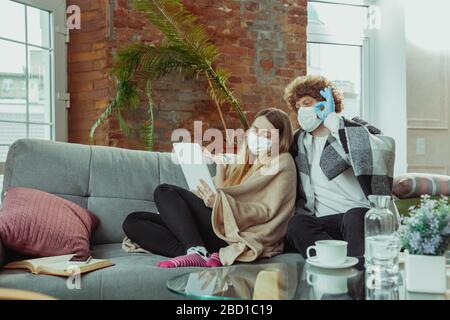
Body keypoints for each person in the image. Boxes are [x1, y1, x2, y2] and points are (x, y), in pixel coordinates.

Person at [122, 108, 297, 268]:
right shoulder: (244, 161)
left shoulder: (282, 162)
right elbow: (223, 191)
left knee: (164, 191)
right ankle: (197, 254)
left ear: (280, 138)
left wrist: (219, 203)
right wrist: (220, 169)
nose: (257, 136)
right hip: (218, 224)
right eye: (255, 129)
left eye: (266, 134)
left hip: (237, 233)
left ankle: (195, 250)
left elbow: (266, 211)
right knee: (133, 222)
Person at [283, 75, 396, 259]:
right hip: (324, 222)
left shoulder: (353, 129)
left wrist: (332, 120)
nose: (302, 110)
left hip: (359, 217)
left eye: (307, 102)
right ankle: (330, 262)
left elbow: (381, 150)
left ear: (326, 101)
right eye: (298, 106)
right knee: (297, 224)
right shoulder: (299, 142)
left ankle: (357, 276)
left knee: (354, 216)